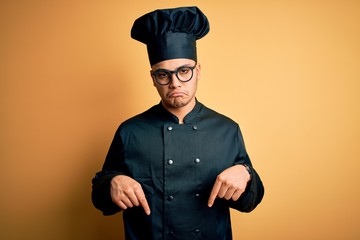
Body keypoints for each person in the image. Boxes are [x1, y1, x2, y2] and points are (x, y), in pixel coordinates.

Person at [92, 6, 264, 240]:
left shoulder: (227, 129)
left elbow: (250, 201)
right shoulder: (129, 131)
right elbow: (99, 196)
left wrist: (246, 174)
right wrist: (112, 181)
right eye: (163, 74)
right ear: (153, 78)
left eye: (184, 71)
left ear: (198, 71)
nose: (175, 83)